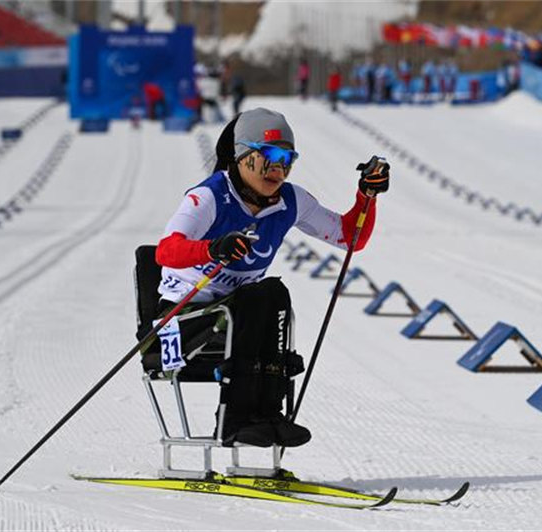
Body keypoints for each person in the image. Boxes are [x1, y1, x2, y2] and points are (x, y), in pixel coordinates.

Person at [151, 108, 389, 448]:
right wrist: (213, 248)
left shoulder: (290, 201)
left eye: (288, 159)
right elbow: (166, 251)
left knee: (272, 294)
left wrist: (366, 196)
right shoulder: (209, 197)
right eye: (270, 157)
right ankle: (235, 420)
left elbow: (351, 238)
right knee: (257, 299)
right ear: (242, 156)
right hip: (181, 321)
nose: (279, 169)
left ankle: (266, 414)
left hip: (238, 318)